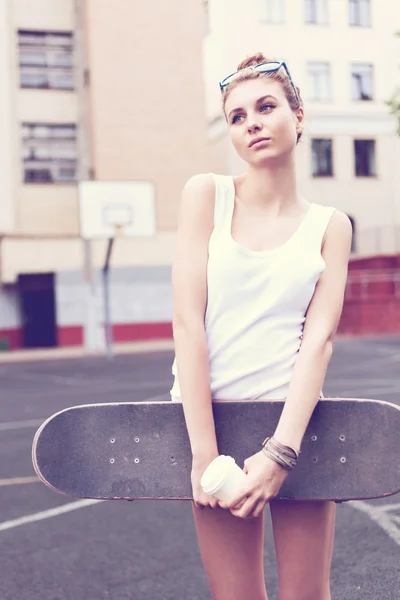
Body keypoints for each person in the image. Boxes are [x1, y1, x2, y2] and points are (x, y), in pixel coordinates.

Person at [169, 52, 352, 600]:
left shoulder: (331, 225)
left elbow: (318, 342)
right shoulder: (206, 195)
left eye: (266, 107)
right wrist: (204, 453)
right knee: (236, 597)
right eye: (236, 115)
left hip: (296, 426)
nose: (251, 122)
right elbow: (187, 323)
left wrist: (280, 454)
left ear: (299, 116)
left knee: (307, 595)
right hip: (214, 425)